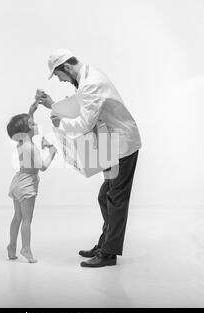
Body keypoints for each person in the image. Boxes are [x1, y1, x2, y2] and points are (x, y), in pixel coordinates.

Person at [37, 49, 142, 268]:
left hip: (123, 143)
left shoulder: (92, 83)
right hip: (109, 141)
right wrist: (52, 105)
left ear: (66, 67)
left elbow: (84, 123)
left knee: (115, 199)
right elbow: (81, 107)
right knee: (105, 196)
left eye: (58, 75)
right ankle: (105, 244)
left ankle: (109, 253)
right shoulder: (86, 78)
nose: (61, 80)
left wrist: (59, 124)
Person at [6, 101, 57, 263]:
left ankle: (12, 246)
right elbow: (43, 167)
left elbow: (26, 126)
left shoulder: (22, 142)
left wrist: (31, 111)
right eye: (32, 123)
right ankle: (26, 249)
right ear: (26, 130)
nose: (35, 124)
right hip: (27, 184)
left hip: (17, 182)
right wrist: (52, 152)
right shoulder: (31, 148)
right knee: (27, 219)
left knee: (17, 216)